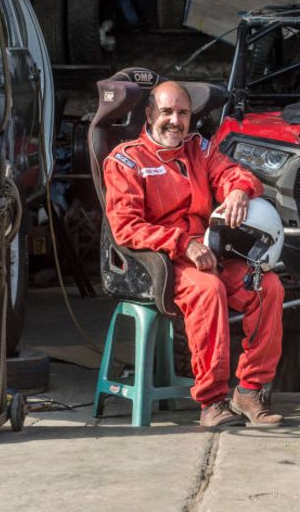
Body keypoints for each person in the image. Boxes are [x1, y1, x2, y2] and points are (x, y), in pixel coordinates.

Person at [103, 80, 284, 428]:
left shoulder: (199, 149)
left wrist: (238, 192)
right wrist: (182, 243)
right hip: (160, 263)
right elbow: (125, 227)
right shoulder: (125, 161)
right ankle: (212, 401)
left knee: (268, 286)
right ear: (150, 114)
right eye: (167, 112)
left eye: (183, 113)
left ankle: (248, 391)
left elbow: (236, 173)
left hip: (209, 253)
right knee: (208, 290)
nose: (175, 121)